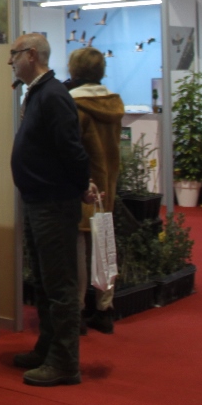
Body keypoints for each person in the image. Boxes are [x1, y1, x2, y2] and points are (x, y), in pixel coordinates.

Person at [8, 33, 98, 386]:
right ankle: (47, 348)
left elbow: (71, 149)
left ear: (31, 55)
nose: (11, 61)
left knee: (60, 284)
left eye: (14, 54)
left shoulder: (53, 95)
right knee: (44, 282)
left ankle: (64, 361)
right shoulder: (39, 93)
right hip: (38, 200)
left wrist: (81, 185)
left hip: (53, 203)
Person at [67, 47, 124, 334]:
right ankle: (105, 308)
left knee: (78, 246)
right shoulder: (114, 102)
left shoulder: (73, 104)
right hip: (107, 181)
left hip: (83, 184)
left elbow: (71, 148)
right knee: (103, 244)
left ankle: (76, 310)